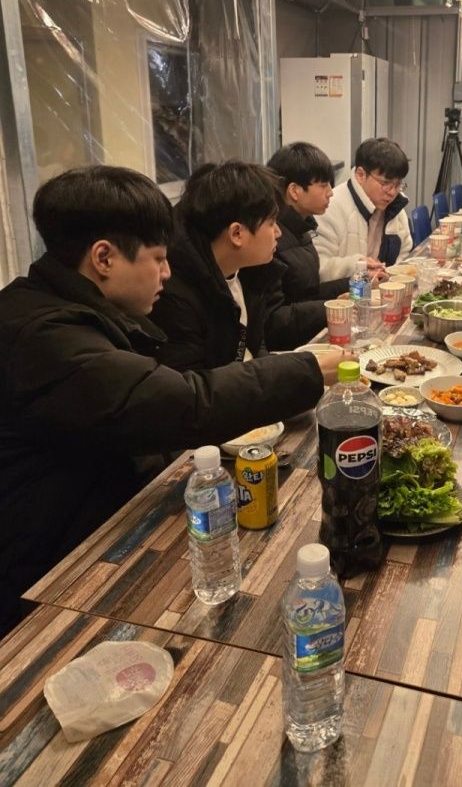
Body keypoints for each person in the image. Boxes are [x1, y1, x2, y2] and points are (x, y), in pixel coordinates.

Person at [0, 166, 342, 635]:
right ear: (104, 257)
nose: (166, 272)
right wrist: (307, 369)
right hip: (45, 579)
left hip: (90, 532)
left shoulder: (71, 310)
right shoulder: (45, 337)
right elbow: (183, 403)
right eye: (158, 258)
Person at [151, 161, 335, 369]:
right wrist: (299, 370)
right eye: (271, 223)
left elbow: (254, 347)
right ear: (237, 234)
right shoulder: (175, 293)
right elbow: (192, 383)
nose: (278, 233)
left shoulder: (248, 270)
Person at [314, 137, 412, 281]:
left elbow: (405, 253)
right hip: (344, 293)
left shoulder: (395, 208)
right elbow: (318, 267)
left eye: (398, 185)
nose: (392, 192)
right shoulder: (330, 208)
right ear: (361, 175)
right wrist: (356, 266)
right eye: (386, 183)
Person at [266, 142, 350, 304]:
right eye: (323, 185)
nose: (330, 193)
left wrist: (356, 284)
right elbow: (275, 314)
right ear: (294, 191)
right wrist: (331, 308)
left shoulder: (302, 228)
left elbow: (309, 294)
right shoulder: (273, 237)